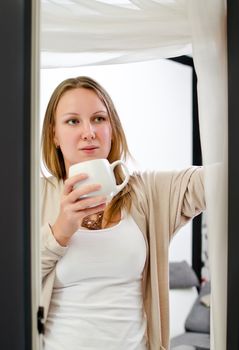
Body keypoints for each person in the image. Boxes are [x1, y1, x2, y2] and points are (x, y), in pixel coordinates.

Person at [41, 76, 205, 350]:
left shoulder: (147, 192)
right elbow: (14, 279)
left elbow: (214, 181)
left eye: (99, 119)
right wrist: (60, 232)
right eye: (73, 121)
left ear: (113, 128)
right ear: (54, 134)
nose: (89, 132)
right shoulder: (34, 196)